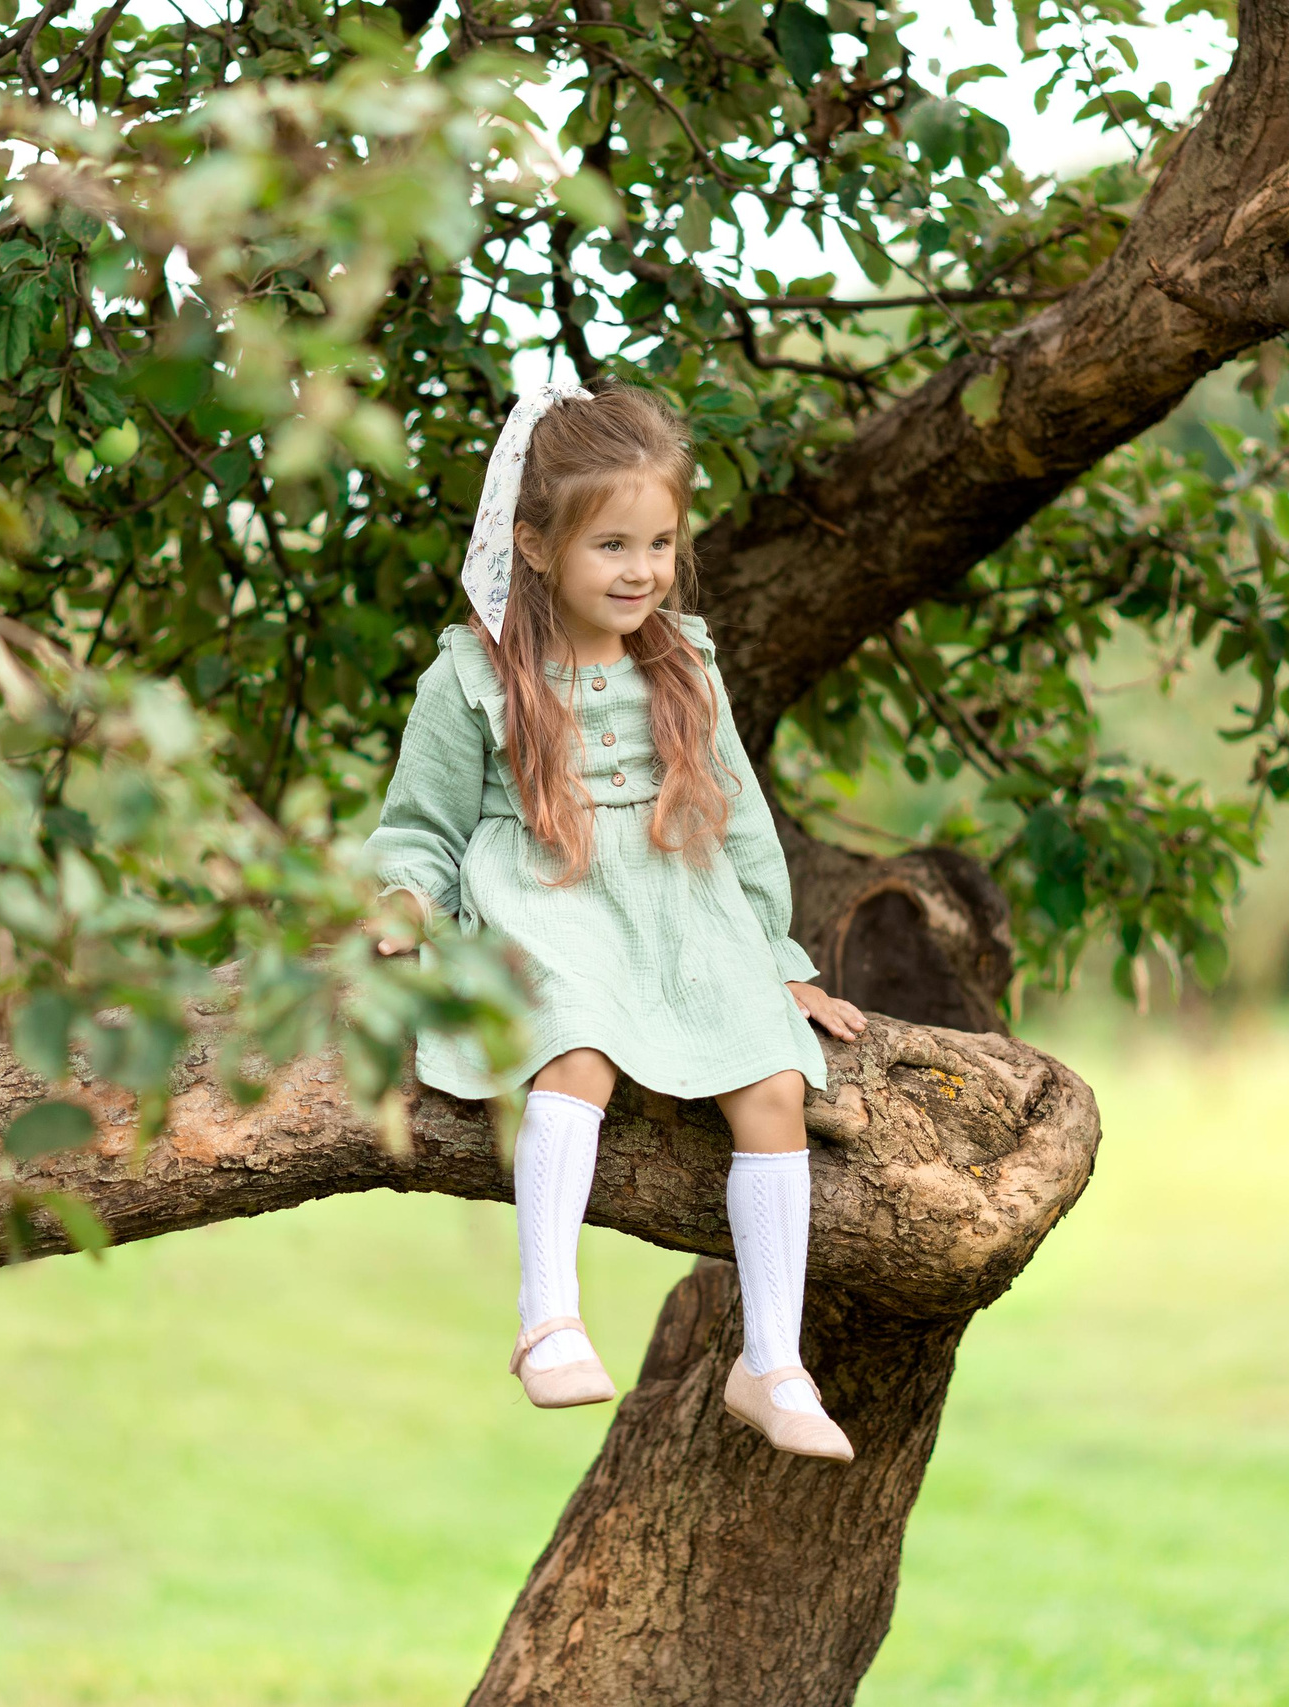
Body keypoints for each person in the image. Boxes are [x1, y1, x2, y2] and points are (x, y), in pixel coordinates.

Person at [365, 379, 869, 1462]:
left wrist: (778, 962)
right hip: (547, 904)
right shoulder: (473, 679)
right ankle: (546, 1316)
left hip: (682, 909)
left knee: (774, 1085)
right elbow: (421, 825)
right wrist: (405, 903)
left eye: (660, 543)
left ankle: (770, 1362)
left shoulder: (684, 664)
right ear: (537, 546)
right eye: (612, 546)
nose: (642, 570)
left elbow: (737, 826)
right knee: (577, 1053)